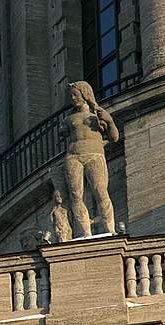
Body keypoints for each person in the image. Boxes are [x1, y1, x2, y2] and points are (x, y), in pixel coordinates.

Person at [60, 81, 119, 237]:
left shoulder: (98, 114)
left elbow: (114, 137)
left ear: (85, 93)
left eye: (75, 94)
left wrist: (109, 121)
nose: (73, 98)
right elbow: (62, 134)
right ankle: (85, 232)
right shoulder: (69, 118)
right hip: (73, 155)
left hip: (94, 154)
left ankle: (109, 229)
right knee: (76, 195)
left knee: (100, 192)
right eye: (71, 95)